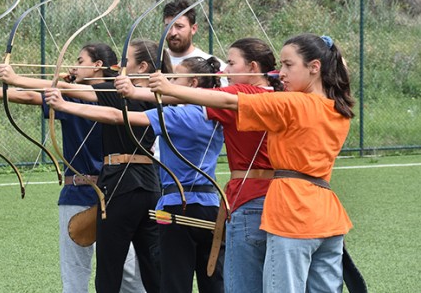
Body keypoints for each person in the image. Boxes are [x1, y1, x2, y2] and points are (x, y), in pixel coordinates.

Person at [144, 33, 354, 293]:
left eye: (289, 65)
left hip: (293, 213)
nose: (281, 73)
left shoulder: (293, 103)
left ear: (315, 67)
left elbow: (231, 100)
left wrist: (171, 88)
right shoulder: (338, 108)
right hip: (328, 215)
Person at [0, 42, 145, 293]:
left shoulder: (85, 95)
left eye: (80, 61)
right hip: (112, 191)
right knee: (127, 275)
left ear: (98, 66)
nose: (74, 65)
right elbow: (35, 94)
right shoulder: (123, 97)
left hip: (98, 192)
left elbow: (30, 95)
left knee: (85, 275)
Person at [45, 56, 226, 293]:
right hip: (212, 206)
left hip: (177, 206)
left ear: (192, 83)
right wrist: (133, 90)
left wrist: (64, 104)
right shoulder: (220, 114)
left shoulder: (177, 116)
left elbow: (117, 117)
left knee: (173, 283)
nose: (168, 82)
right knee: (211, 281)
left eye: (174, 79)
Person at [117, 37, 283, 293]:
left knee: (241, 282)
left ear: (252, 67)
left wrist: (142, 91)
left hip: (248, 197)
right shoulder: (286, 97)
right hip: (281, 196)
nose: (224, 71)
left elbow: (200, 97)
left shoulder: (243, 95)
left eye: (231, 63)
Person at [4, 39, 170, 293]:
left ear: (143, 66)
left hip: (120, 186)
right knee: (152, 267)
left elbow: (67, 91)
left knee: (109, 269)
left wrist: (16, 78)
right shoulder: (161, 97)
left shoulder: (117, 93)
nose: (119, 67)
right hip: (150, 186)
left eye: (126, 63)